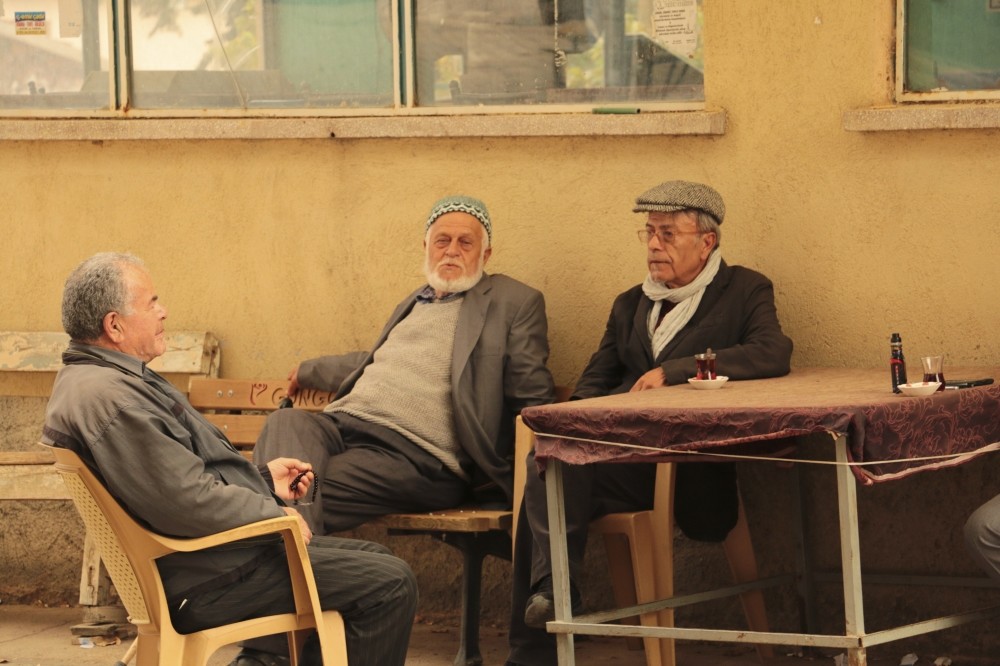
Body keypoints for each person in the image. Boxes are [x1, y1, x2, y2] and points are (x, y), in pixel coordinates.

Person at [41, 253, 418, 666]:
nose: (163, 312)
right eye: (151, 303)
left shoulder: (98, 381)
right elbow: (185, 499)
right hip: (211, 579)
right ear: (114, 326)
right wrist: (273, 513)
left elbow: (173, 480)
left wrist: (260, 479)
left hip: (205, 563)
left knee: (379, 562)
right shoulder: (112, 399)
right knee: (390, 583)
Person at [506, 180, 794, 665]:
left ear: (707, 242)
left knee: (553, 471)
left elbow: (772, 352)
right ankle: (547, 615)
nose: (655, 245)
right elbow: (593, 383)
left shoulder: (743, 289)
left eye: (668, 234)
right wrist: (571, 422)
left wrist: (677, 371)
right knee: (550, 463)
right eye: (649, 233)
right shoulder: (630, 304)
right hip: (619, 459)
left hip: (685, 462)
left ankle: (545, 622)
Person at [254, 195, 555, 536]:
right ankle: (291, 558)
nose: (452, 250)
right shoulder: (415, 301)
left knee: (282, 488)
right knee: (287, 422)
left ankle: (281, 559)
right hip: (341, 427)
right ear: (426, 246)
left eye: (465, 242)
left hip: (415, 457)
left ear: (485, 255)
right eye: (442, 240)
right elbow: (377, 361)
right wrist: (310, 370)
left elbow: (532, 398)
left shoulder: (513, 302)